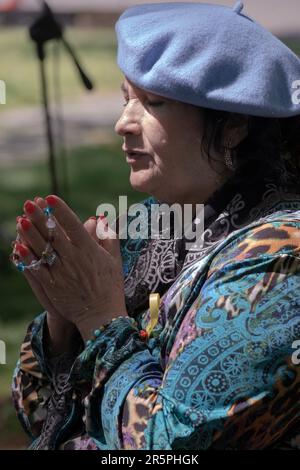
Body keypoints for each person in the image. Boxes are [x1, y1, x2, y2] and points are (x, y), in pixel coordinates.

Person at [11, 2, 300, 450]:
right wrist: (62, 317)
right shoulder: (150, 224)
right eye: (127, 98)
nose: (123, 123)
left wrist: (97, 316)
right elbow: (35, 411)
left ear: (235, 125)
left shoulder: (282, 257)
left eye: (154, 102)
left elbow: (172, 446)